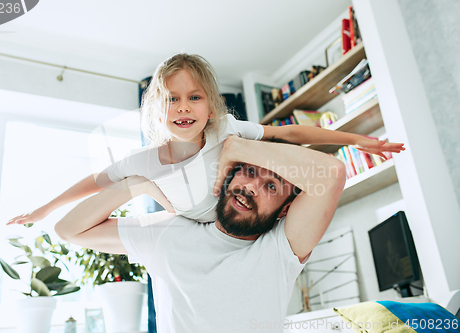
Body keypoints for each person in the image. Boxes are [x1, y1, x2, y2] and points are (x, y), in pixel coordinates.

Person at [8, 53, 404, 225]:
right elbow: (94, 182)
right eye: (172, 99)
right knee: (137, 184)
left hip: (228, 213)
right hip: (183, 214)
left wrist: (355, 139)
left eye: (194, 97)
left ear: (210, 107)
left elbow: (290, 133)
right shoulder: (145, 158)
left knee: (246, 150)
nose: (183, 108)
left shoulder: (224, 130)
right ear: (157, 110)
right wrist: (45, 209)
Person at [54, 135, 347, 332]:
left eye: (272, 187)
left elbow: (332, 173)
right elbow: (69, 229)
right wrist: (135, 185)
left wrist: (236, 146)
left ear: (285, 209)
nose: (252, 188)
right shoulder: (167, 232)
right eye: (249, 172)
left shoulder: (282, 248)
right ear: (228, 173)